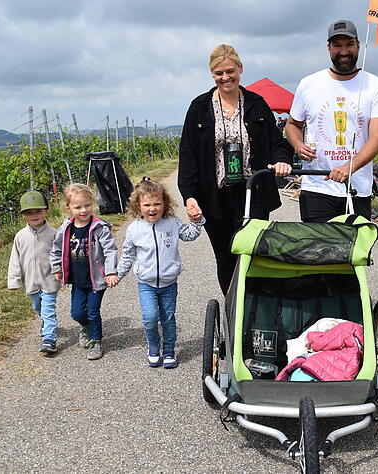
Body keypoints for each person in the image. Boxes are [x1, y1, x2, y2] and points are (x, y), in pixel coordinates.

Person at [178, 44, 292, 294]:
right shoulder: (199, 107)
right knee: (226, 257)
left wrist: (282, 160)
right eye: (219, 73)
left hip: (253, 193)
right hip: (215, 197)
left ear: (240, 69)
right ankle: (233, 312)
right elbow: (188, 155)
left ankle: (255, 309)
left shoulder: (257, 104)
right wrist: (190, 197)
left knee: (254, 254)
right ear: (212, 74)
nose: (225, 77)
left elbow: (276, 143)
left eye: (230, 71)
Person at [285, 19, 378, 222]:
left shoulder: (376, 86)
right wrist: (298, 145)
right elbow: (292, 125)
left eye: (349, 44)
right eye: (337, 45)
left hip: (356, 188)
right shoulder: (309, 84)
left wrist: (349, 167)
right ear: (328, 48)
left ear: (359, 45)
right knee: (317, 252)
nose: (344, 51)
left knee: (355, 253)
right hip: (317, 187)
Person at [117, 178, 205, 368]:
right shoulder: (134, 229)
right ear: (138, 206)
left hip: (169, 283)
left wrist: (197, 221)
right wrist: (117, 274)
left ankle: (170, 351)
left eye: (157, 203)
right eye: (147, 204)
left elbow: (189, 235)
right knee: (149, 318)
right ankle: (153, 347)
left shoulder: (172, 223)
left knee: (167, 318)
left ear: (165, 204)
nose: (152, 208)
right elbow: (127, 255)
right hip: (146, 284)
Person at [50, 183, 119, 361]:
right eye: (78, 207)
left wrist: (110, 272)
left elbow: (110, 250)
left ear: (92, 204)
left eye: (87, 205)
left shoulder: (99, 228)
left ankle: (96, 341)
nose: (83, 210)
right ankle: (85, 326)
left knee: (93, 311)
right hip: (78, 279)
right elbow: (56, 249)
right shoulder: (65, 228)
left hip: (97, 279)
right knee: (77, 313)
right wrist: (57, 267)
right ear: (68, 208)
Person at [7, 190, 62, 355]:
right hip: (30, 282)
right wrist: (13, 280)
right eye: (29, 213)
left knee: (48, 308)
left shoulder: (53, 234)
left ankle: (49, 339)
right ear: (23, 215)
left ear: (46, 211)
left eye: (38, 211)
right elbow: (15, 259)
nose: (34, 215)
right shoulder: (20, 237)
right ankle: (46, 323)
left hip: (50, 280)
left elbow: (60, 255)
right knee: (38, 306)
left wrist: (62, 272)